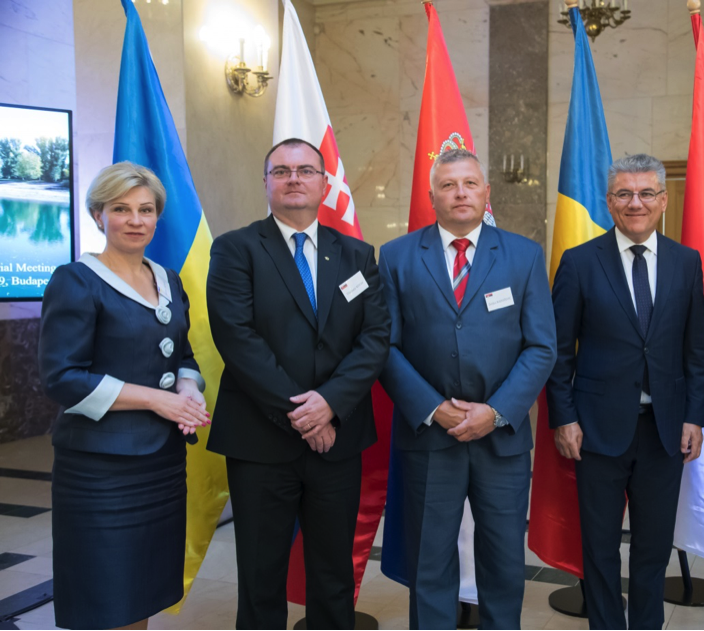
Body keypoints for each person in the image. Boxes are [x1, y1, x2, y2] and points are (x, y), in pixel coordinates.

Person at [206, 138, 390, 629]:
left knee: (333, 573)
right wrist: (305, 413)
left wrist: (329, 403)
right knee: (261, 575)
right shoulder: (235, 249)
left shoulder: (357, 254)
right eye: (282, 171)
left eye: (305, 170)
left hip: (339, 438)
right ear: (265, 182)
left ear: (324, 184)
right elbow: (237, 338)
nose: (293, 179)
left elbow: (375, 339)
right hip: (260, 440)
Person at [379, 149, 556, 629]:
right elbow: (385, 347)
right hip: (428, 439)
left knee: (502, 563)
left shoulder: (523, 255)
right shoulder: (396, 257)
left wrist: (494, 412)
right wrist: (434, 408)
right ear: (432, 195)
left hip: (501, 440)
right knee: (428, 563)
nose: (460, 192)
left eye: (470, 183)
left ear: (486, 192)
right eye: (449, 184)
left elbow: (542, 347)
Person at [39, 162, 208, 630]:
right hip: (100, 471)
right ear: (98, 216)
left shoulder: (169, 280)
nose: (135, 220)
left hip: (162, 464)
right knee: (105, 595)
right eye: (121, 209)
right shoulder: (75, 280)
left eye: (146, 210)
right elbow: (62, 379)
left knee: (141, 593)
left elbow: (184, 355)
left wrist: (189, 391)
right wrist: (158, 400)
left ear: (157, 218)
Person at [546, 154, 704, 630]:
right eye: (624, 194)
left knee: (653, 549)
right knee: (598, 548)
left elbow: (694, 350)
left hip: (664, 432)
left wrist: (694, 417)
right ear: (609, 202)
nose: (634, 203)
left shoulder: (686, 261)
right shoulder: (578, 263)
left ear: (662, 200)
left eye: (645, 193)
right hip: (595, 431)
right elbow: (559, 351)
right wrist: (564, 417)